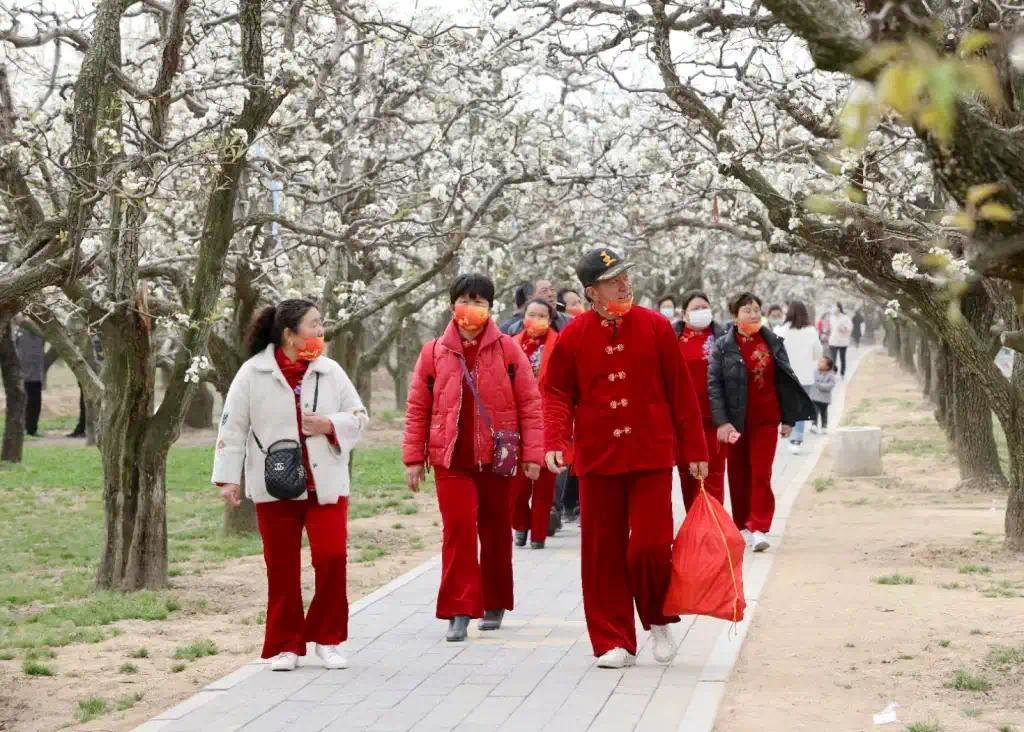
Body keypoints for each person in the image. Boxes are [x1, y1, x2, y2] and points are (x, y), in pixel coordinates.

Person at [542, 247, 709, 669]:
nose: (624, 284)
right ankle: (612, 638)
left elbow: (681, 394)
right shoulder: (574, 337)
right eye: (613, 279)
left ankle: (657, 618)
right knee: (602, 552)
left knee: (650, 547)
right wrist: (557, 440)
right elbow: (557, 393)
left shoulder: (654, 327)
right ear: (591, 292)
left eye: (624, 276)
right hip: (598, 459)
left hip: (651, 453)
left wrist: (694, 450)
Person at [213, 299, 369, 672]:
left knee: (332, 559)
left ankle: (327, 639)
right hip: (276, 485)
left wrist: (330, 425)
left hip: (326, 484)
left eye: (322, 324)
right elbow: (232, 426)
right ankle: (286, 644)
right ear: (289, 334)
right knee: (281, 567)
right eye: (314, 324)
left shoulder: (330, 371)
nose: (321, 331)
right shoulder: (253, 373)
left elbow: (359, 417)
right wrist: (227, 477)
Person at [403, 274, 543, 642]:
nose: (473, 308)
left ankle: (494, 601)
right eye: (467, 300)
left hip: (498, 460)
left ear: (490, 308)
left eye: (481, 302)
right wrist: (413, 458)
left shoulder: (509, 350)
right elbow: (418, 407)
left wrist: (533, 454)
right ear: (452, 305)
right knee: (459, 530)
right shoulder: (434, 352)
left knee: (496, 530)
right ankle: (459, 608)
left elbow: (530, 403)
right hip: (452, 459)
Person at [708, 292, 816, 553]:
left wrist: (788, 419)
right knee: (738, 474)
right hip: (735, 422)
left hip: (766, 419)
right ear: (735, 316)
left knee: (760, 473)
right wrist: (722, 421)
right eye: (747, 310)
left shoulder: (773, 341)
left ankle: (759, 526)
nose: (754, 314)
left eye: (756, 309)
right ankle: (743, 524)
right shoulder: (723, 346)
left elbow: (785, 382)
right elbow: (714, 385)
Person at [511, 298, 561, 549]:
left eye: (542, 315)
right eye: (532, 314)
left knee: (543, 485)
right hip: (516, 424)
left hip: (548, 422)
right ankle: (521, 525)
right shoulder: (510, 345)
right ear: (523, 316)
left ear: (550, 320)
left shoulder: (559, 345)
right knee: (517, 486)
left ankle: (539, 534)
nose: (536, 319)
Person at [674, 291, 729, 511]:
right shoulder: (673, 338)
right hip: (684, 423)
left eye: (704, 307)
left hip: (714, 421)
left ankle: (714, 533)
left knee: (713, 478)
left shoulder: (723, 337)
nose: (701, 312)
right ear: (684, 314)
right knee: (689, 478)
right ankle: (695, 531)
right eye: (695, 308)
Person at [773, 301, 821, 455]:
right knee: (799, 407)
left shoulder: (780, 330)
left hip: (785, 375)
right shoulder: (811, 331)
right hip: (805, 376)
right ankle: (797, 439)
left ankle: (789, 432)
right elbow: (818, 353)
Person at [15, 323, 45, 437]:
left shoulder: (36, 332)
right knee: (28, 403)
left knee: (33, 403)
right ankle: (27, 428)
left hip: (32, 375)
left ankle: (30, 428)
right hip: (26, 375)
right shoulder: (21, 332)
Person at [810, 356, 837, 434]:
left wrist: (821, 386)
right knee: (815, 411)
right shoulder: (815, 371)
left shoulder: (831, 375)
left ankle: (824, 426)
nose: (819, 363)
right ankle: (814, 425)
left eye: (822, 362)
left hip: (825, 398)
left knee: (824, 412)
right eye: (819, 361)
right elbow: (814, 381)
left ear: (827, 366)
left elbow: (831, 385)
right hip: (815, 396)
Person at [828, 303, 854, 376]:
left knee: (842, 358)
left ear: (839, 308)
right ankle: (833, 373)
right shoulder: (831, 317)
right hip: (833, 341)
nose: (833, 309)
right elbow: (831, 328)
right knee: (833, 359)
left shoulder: (845, 317)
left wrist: (844, 328)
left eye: (834, 307)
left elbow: (850, 327)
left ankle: (842, 373)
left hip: (843, 341)